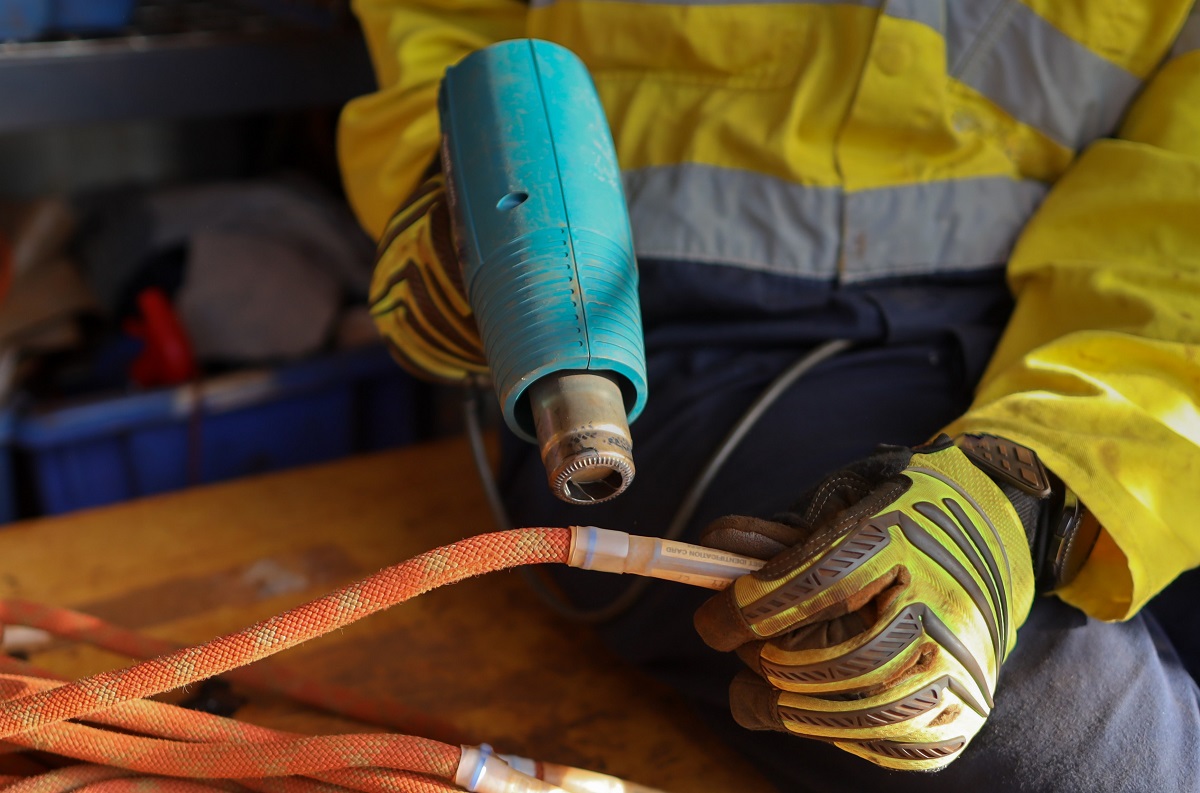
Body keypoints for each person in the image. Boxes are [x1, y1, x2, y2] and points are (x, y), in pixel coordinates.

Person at [338, 1, 1200, 790]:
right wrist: (450, 189)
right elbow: (446, 37)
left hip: (1072, 341)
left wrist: (1034, 487)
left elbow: (1176, 235)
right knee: (1109, 763)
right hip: (656, 325)